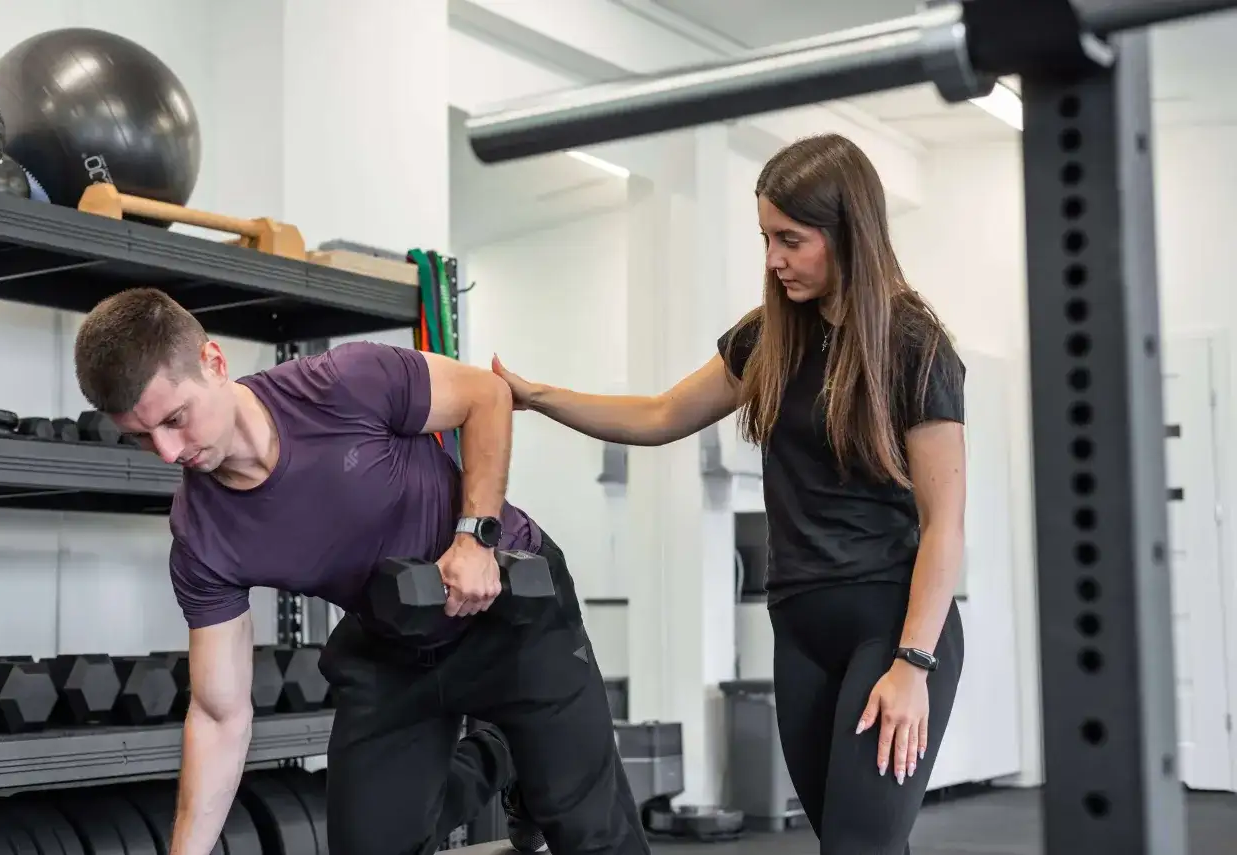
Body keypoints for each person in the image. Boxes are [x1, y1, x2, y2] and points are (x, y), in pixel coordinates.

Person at [491, 133, 967, 854]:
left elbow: (944, 525)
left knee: (858, 847)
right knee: (850, 841)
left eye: (791, 240)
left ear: (848, 233)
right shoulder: (771, 337)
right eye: (766, 238)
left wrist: (914, 663)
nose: (773, 259)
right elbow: (659, 415)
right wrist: (538, 396)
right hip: (801, 627)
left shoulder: (914, 345)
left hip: (891, 625)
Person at [72, 288, 649, 855]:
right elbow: (219, 715)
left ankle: (538, 763)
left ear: (214, 363)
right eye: (141, 436)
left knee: (594, 836)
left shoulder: (341, 382)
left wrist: (474, 539)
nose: (168, 452)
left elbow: (487, 394)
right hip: (397, 639)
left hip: (509, 609)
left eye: (175, 419)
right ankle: (507, 752)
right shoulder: (200, 534)